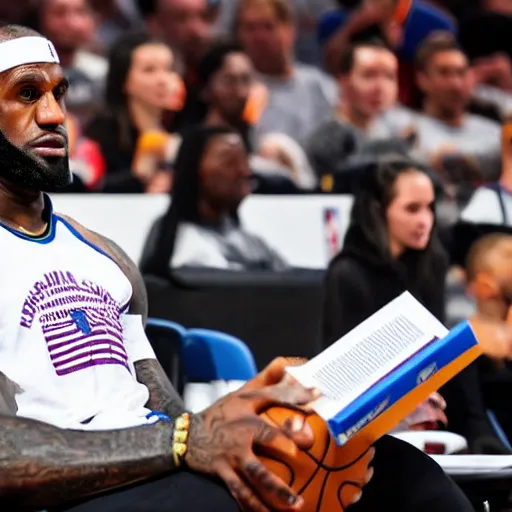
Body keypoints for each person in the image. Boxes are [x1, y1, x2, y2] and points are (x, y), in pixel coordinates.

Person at [0, 24, 473, 512]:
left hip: (157, 471)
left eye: (60, 93)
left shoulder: (105, 257)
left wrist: (264, 409)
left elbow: (170, 417)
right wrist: (182, 442)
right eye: (28, 94)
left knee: (398, 472)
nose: (54, 114)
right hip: (72, 494)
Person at [322, 155, 510, 454]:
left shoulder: (431, 263)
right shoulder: (348, 272)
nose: (425, 220)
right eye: (412, 209)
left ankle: (484, 444)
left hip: (426, 400)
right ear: (378, 212)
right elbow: (346, 377)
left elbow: (432, 350)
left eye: (430, 208)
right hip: (374, 416)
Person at [140, 125, 290, 273]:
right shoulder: (183, 244)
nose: (245, 171)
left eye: (245, 160)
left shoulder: (246, 239)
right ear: (194, 171)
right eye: (229, 163)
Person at [85, 31, 183, 193]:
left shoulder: (186, 129)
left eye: (169, 69)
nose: (163, 80)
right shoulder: (103, 134)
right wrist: (138, 177)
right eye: (149, 70)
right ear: (124, 80)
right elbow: (90, 189)